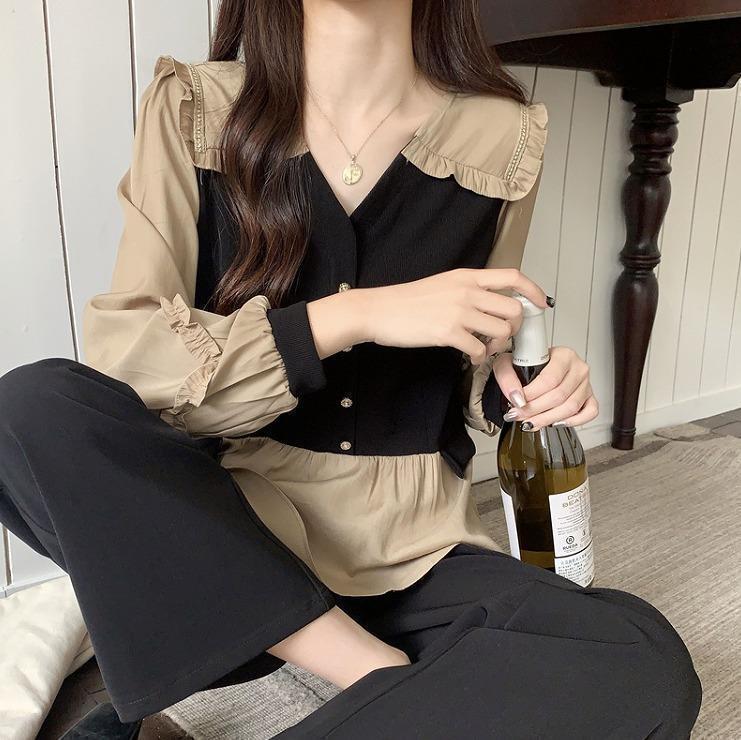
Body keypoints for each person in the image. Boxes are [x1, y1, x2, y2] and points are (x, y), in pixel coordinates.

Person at [0, 1, 701, 737]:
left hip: (414, 547)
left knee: (642, 659)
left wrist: (527, 383)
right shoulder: (196, 107)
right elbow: (131, 362)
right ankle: (372, 672)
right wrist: (355, 315)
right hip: (224, 539)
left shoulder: (501, 136)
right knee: (30, 408)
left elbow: (483, 346)